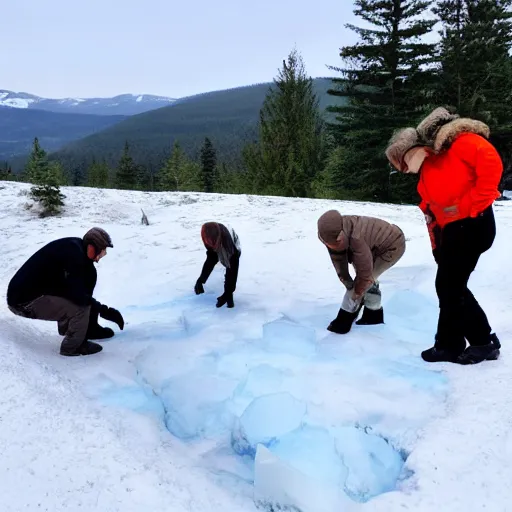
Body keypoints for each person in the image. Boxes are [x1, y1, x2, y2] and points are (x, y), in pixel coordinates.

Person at [385, 107, 503, 364]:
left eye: (402, 163)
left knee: (449, 287)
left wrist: (472, 207)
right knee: (451, 287)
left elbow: (491, 165)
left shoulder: (462, 143)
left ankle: (475, 343)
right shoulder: (431, 166)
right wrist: (437, 245)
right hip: (454, 231)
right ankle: (458, 343)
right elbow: (431, 212)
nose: (404, 170)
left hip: (473, 225)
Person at [6, 227, 124, 356]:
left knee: (88, 279)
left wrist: (97, 314)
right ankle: (73, 347)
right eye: (102, 250)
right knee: (80, 308)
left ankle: (89, 329)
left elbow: (82, 291)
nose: (102, 255)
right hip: (22, 301)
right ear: (91, 247)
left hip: (36, 293)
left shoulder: (78, 251)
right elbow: (77, 295)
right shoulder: (73, 255)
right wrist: (103, 310)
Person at [318, 210, 406, 334]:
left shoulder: (356, 238)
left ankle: (343, 322)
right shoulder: (329, 233)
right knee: (366, 281)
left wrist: (354, 293)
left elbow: (364, 276)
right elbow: (337, 256)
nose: (333, 245)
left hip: (392, 245)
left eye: (337, 242)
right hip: (372, 245)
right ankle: (373, 315)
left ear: (341, 234)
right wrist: (344, 278)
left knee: (365, 281)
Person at [194, 222, 241, 308]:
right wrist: (201, 280)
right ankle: (228, 297)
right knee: (213, 258)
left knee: (230, 269)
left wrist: (227, 293)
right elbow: (210, 260)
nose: (210, 243)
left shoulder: (229, 244)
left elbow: (233, 269)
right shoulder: (206, 234)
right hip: (219, 238)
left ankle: (229, 300)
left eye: (213, 242)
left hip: (232, 246)